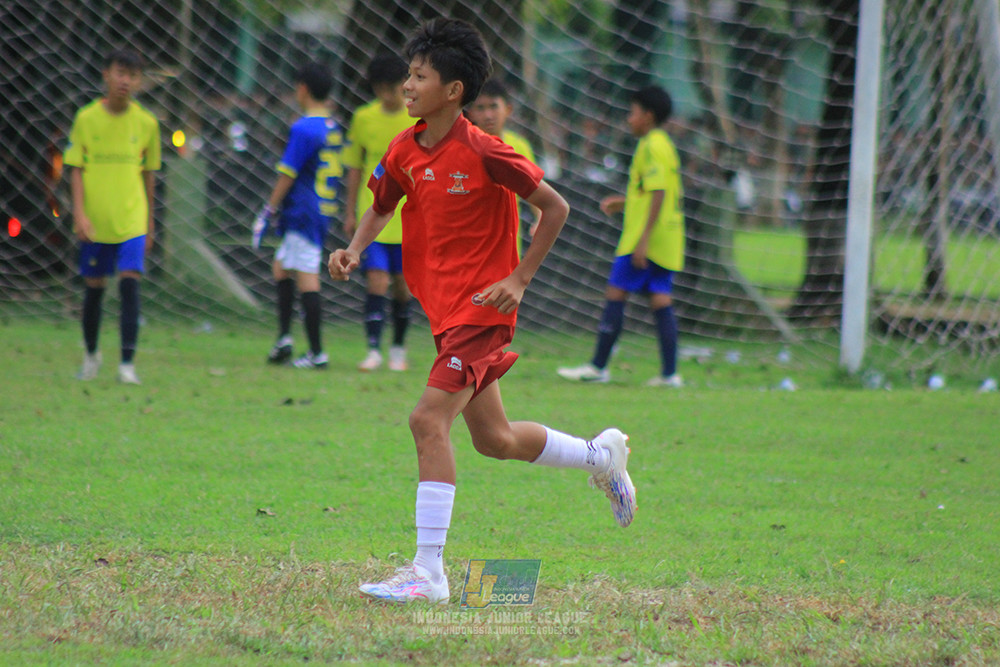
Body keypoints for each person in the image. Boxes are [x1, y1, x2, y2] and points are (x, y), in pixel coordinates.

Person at [328, 18, 637, 605]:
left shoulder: (486, 151)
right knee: (493, 439)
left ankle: (429, 573)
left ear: (453, 91)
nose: (408, 84)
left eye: (420, 76)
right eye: (409, 73)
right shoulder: (402, 148)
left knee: (426, 422)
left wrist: (519, 280)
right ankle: (602, 455)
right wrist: (355, 249)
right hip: (446, 315)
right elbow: (381, 205)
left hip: (484, 313)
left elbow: (556, 207)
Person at [557, 86, 685, 388]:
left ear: (648, 116)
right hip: (667, 236)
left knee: (616, 293)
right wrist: (624, 202)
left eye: (633, 112)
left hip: (645, 239)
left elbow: (658, 192)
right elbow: (654, 191)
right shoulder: (664, 143)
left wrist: (643, 240)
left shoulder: (650, 146)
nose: (629, 119)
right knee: (660, 300)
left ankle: (598, 366)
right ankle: (670, 374)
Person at [65, 49, 161, 385]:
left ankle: (127, 365)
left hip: (132, 219)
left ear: (139, 81)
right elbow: (75, 168)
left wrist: (149, 223)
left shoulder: (147, 123)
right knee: (94, 290)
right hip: (96, 221)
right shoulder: (86, 119)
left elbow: (149, 175)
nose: (126, 81)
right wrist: (79, 213)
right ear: (107, 74)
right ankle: (91, 356)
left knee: (130, 284)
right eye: (120, 72)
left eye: (133, 75)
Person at [253, 61, 345, 369]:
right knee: (281, 266)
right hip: (320, 207)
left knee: (306, 275)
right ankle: (284, 339)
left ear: (302, 89)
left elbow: (287, 172)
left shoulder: (304, 126)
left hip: (303, 210)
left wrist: (270, 208)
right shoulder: (332, 126)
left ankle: (317, 352)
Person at [342, 54, 415, 372]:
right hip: (373, 212)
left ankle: (398, 348)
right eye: (381, 89)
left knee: (404, 285)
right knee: (376, 280)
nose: (387, 96)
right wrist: (349, 212)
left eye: (393, 89)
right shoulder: (363, 117)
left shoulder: (416, 118)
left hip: (408, 217)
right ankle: (373, 349)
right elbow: (355, 167)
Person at [465, 77, 541, 250]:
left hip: (508, 246)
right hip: (469, 245)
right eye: (480, 108)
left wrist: (539, 221)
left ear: (508, 109)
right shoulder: (462, 147)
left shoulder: (519, 147)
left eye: (493, 106)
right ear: (471, 113)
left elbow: (536, 191)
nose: (488, 115)